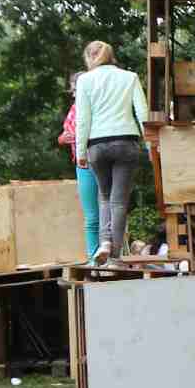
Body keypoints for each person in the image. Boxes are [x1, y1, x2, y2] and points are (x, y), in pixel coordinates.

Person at [75, 40, 151, 263]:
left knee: (104, 196)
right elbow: (143, 113)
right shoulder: (130, 77)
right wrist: (150, 145)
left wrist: (81, 151)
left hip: (97, 145)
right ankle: (114, 256)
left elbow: (82, 119)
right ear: (111, 56)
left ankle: (105, 243)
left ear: (89, 58)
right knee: (119, 201)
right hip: (126, 142)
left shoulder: (84, 80)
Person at [59, 75, 99, 261]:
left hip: (101, 161)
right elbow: (63, 135)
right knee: (91, 216)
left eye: (76, 90)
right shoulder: (74, 109)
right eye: (73, 91)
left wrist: (78, 136)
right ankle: (93, 258)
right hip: (83, 164)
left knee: (109, 211)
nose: (74, 94)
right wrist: (64, 138)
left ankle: (114, 256)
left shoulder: (99, 107)